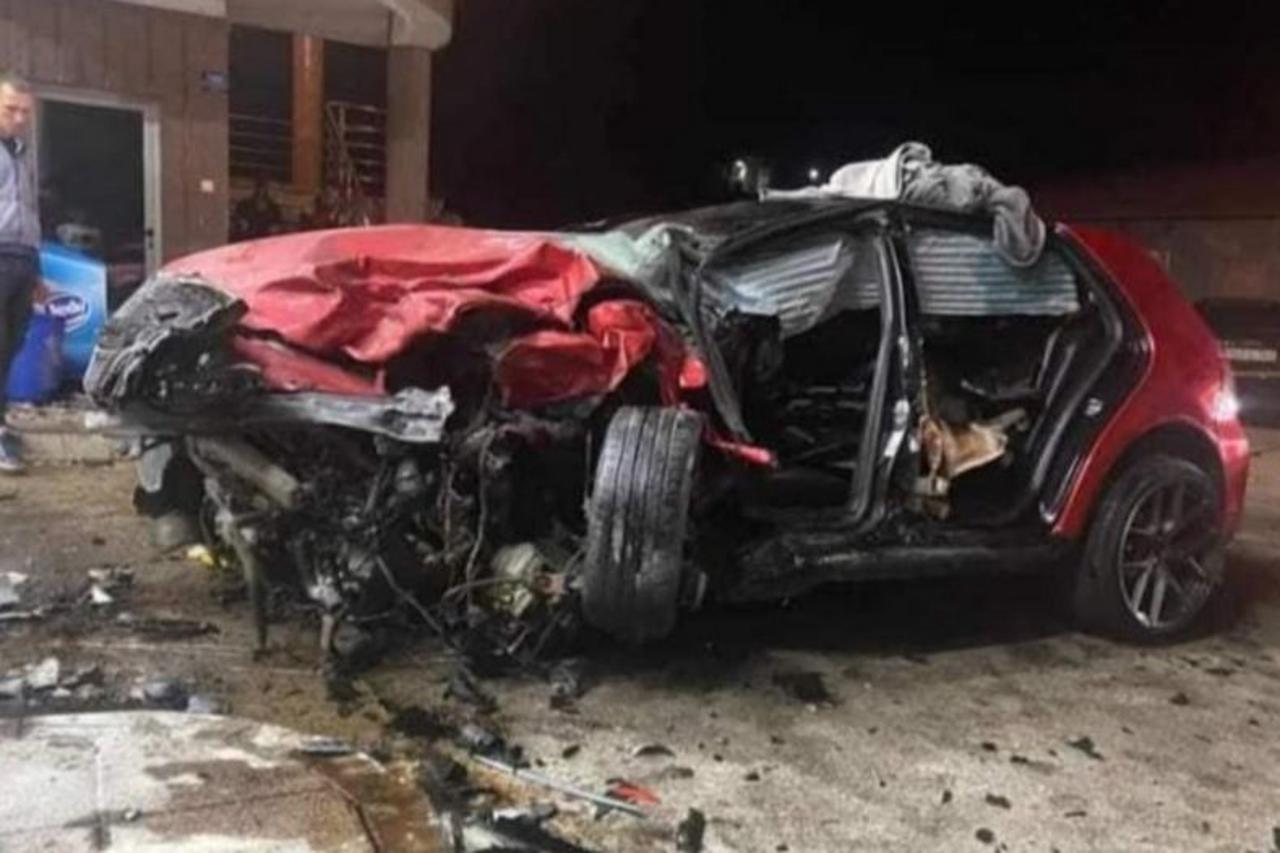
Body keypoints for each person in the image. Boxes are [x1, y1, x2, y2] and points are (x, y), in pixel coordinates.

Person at [0, 72, 39, 474]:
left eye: (26, 112)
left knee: (10, 347)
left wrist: (36, 270)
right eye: (11, 109)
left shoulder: (23, 153)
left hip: (22, 260)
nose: (19, 118)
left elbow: (29, 212)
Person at [230, 174, 283, 241]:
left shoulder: (274, 209)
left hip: (266, 240)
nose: (261, 191)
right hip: (248, 238)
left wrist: (274, 228)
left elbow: (277, 225)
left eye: (264, 187)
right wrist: (241, 223)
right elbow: (238, 221)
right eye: (259, 186)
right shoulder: (243, 206)